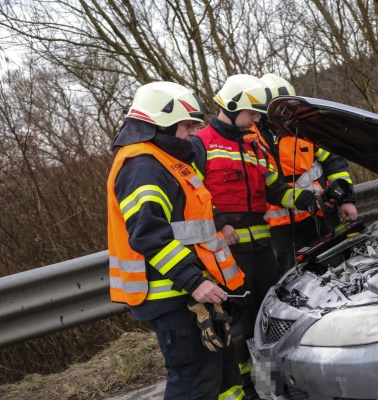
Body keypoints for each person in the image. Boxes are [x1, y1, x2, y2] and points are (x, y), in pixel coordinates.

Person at [107, 81, 245, 400]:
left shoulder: (165, 160)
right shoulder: (142, 166)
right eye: (185, 126)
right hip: (177, 295)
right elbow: (148, 234)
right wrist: (193, 281)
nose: (190, 134)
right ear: (163, 121)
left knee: (222, 379)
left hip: (194, 291)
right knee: (194, 383)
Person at [191, 74, 317, 400]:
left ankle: (271, 384)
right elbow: (192, 195)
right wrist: (219, 221)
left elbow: (274, 188)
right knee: (238, 323)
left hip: (261, 247)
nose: (257, 119)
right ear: (231, 108)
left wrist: (305, 199)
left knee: (269, 315)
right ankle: (246, 388)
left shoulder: (253, 143)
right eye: (252, 113)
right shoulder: (200, 143)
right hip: (226, 252)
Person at [247, 73, 358, 275]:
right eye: (278, 110)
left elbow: (336, 163)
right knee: (295, 277)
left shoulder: (306, 127)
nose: (284, 114)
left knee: (339, 267)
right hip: (280, 225)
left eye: (287, 108)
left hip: (321, 212)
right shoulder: (249, 136)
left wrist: (346, 199)